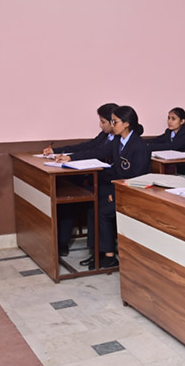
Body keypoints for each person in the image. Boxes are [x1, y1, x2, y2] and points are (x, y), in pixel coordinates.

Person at [50, 102, 118, 255]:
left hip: (107, 183)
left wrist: (71, 158)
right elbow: (88, 146)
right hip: (95, 179)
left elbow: (99, 153)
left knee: (74, 199)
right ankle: (61, 242)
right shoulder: (105, 135)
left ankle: (88, 248)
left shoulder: (118, 139)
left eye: (103, 122)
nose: (100, 125)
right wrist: (57, 151)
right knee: (67, 193)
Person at [90, 105, 150, 269]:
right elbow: (114, 168)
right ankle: (100, 252)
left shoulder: (139, 146)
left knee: (103, 212)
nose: (112, 125)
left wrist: (116, 193)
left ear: (126, 123)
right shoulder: (117, 141)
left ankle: (109, 255)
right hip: (119, 188)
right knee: (96, 205)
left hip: (134, 192)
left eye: (115, 122)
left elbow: (138, 178)